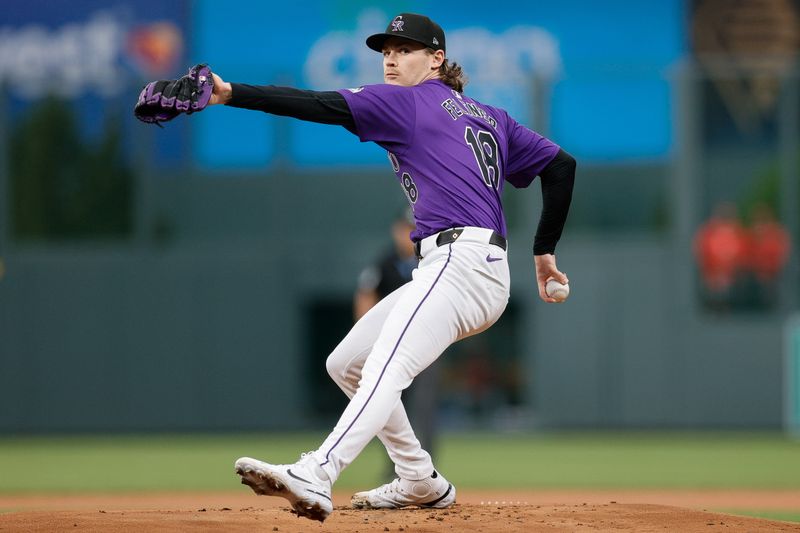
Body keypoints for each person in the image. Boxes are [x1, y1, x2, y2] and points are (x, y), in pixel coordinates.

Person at [206, 13, 575, 522]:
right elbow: (560, 166)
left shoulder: (411, 100)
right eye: (386, 50)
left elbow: (319, 105)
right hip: (463, 266)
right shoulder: (490, 115)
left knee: (384, 366)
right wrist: (544, 250)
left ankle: (318, 471)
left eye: (404, 49)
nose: (391, 59)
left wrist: (229, 93)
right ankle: (419, 478)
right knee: (348, 364)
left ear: (436, 59)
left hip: (460, 263)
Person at [354, 209, 440, 476]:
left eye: (414, 227)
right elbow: (365, 294)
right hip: (391, 346)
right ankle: (396, 465)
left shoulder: (430, 259)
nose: (410, 233)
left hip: (426, 343)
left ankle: (425, 468)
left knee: (425, 406)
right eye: (405, 228)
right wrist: (367, 337)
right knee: (387, 401)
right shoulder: (384, 262)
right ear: (396, 230)